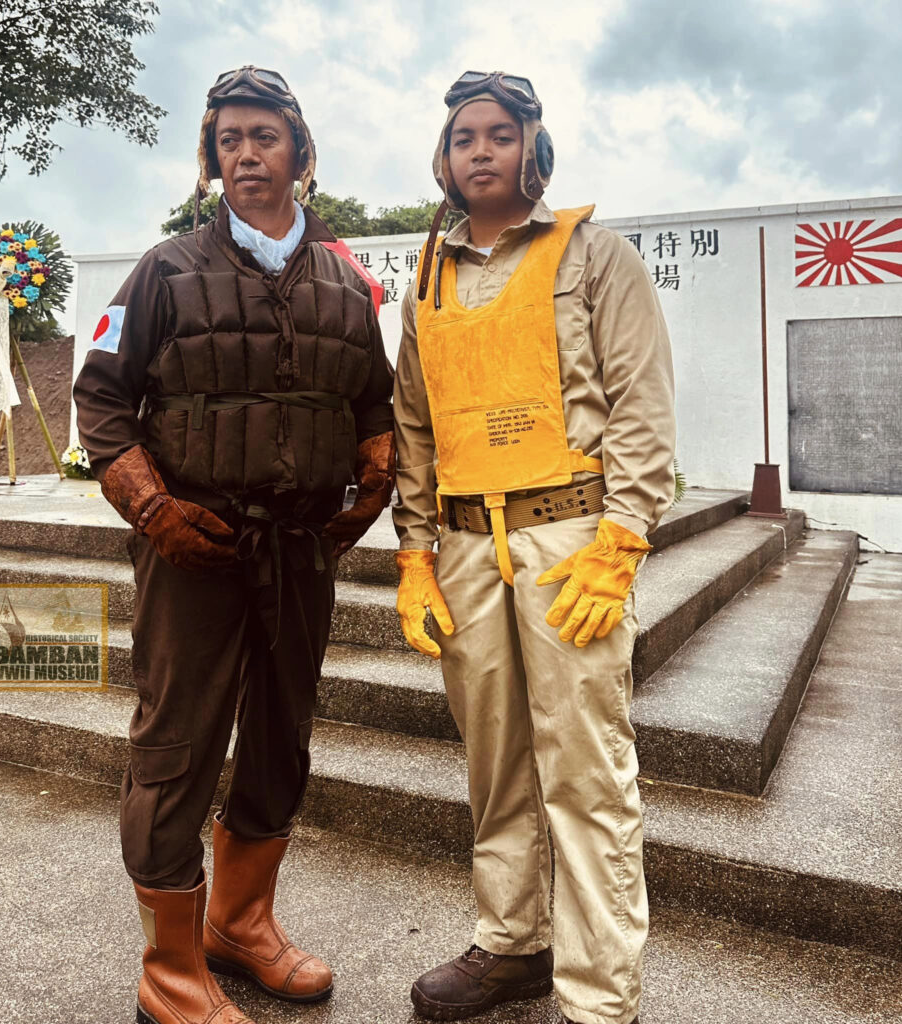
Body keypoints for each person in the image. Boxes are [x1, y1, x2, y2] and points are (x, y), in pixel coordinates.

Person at [72, 65, 395, 1024]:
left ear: (300, 150)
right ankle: (170, 966)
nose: (246, 154)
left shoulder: (345, 278)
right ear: (210, 160)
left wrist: (372, 475)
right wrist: (154, 510)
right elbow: (100, 401)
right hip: (193, 545)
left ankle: (241, 923)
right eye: (228, 140)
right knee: (175, 744)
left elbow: (371, 399)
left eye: (264, 136)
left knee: (280, 737)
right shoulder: (164, 269)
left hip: (301, 548)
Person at [392, 70, 675, 1024]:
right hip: (469, 550)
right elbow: (415, 430)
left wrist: (621, 540)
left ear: (531, 150)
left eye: (498, 134)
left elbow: (641, 411)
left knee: (588, 773)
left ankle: (597, 995)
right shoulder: (426, 278)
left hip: (568, 542)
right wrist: (414, 554)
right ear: (444, 157)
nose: (479, 150)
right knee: (495, 762)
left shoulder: (596, 258)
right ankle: (512, 943)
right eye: (463, 136)